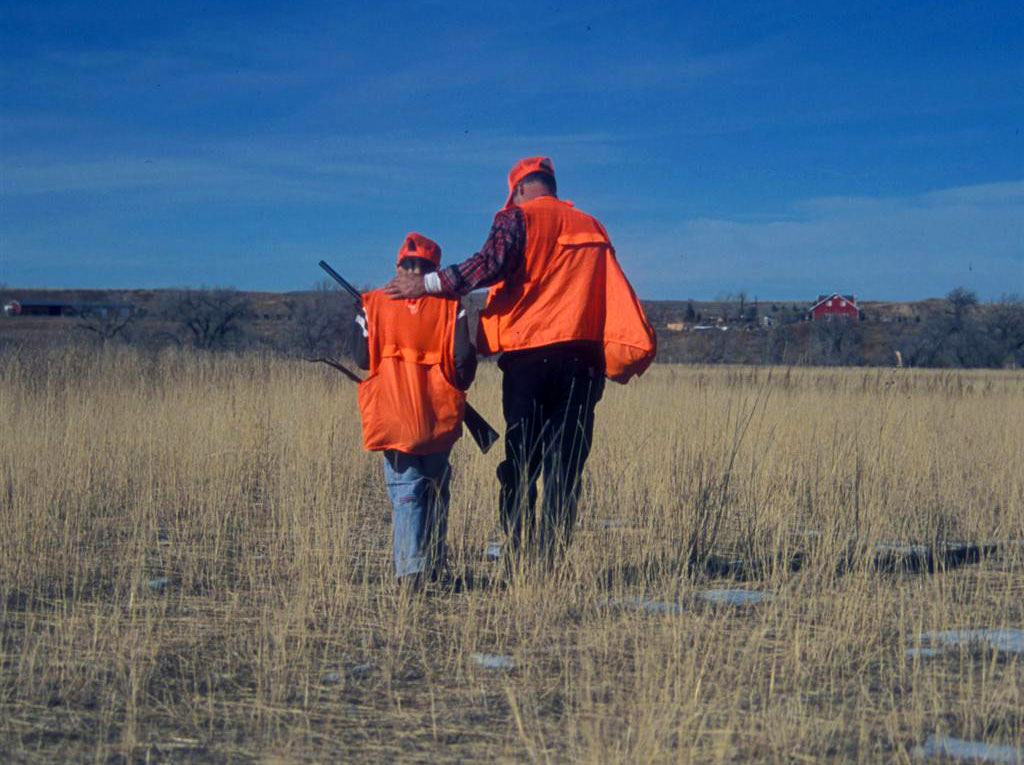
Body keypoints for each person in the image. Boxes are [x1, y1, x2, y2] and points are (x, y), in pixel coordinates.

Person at [385, 158, 655, 563]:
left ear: (520, 189)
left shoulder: (517, 217)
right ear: (551, 186)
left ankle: (519, 555)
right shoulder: (591, 225)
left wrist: (423, 284)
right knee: (566, 465)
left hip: (528, 359)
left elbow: (488, 265)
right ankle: (549, 560)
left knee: (522, 459)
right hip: (583, 362)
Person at [354, 232, 477, 586]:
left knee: (406, 490)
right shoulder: (452, 305)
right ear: (434, 270)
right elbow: (462, 360)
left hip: (391, 415)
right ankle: (435, 565)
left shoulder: (371, 303)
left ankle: (410, 572)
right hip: (438, 414)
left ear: (398, 265)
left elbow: (362, 359)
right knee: (437, 487)